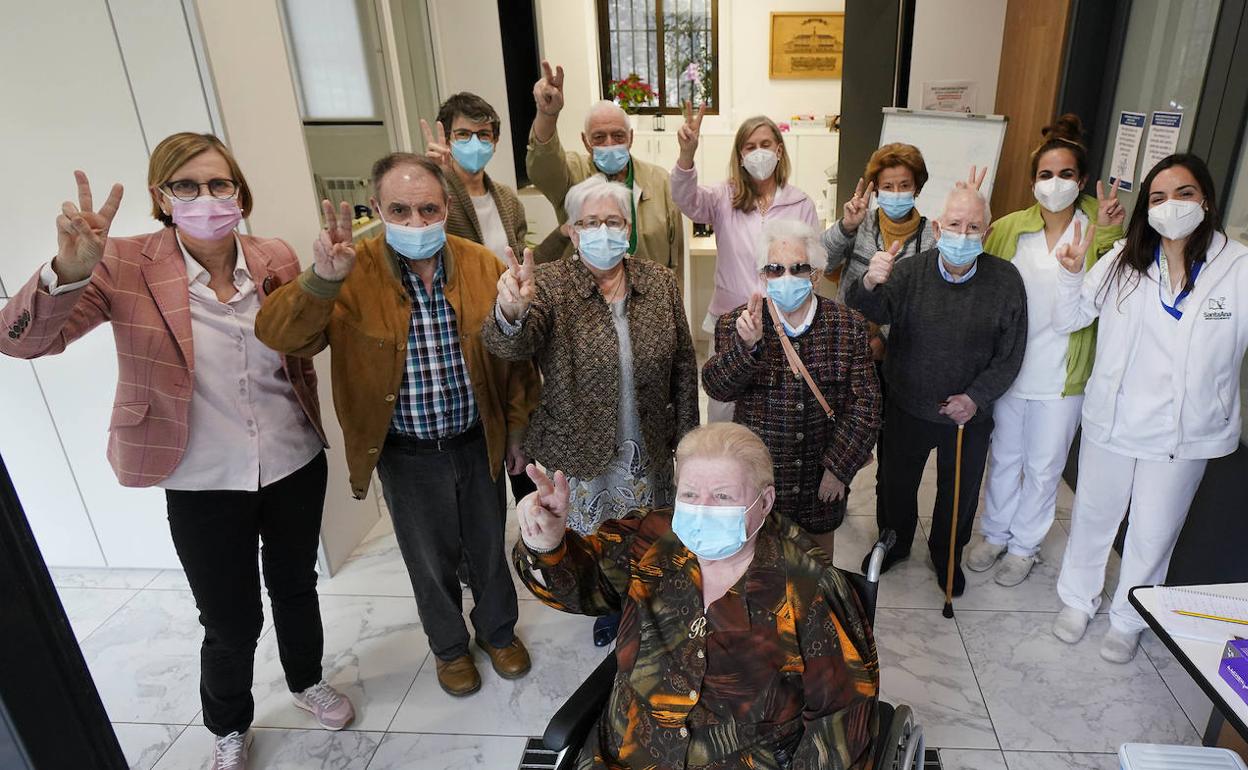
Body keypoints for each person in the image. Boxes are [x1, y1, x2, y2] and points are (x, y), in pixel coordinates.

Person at [0, 132, 353, 770]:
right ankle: (228, 724)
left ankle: (306, 681)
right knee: (230, 619)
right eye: (185, 186)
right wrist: (70, 268)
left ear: (240, 192)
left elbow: (306, 336)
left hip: (292, 457)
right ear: (161, 199)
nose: (205, 198)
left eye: (219, 184)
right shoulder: (124, 263)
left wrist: (326, 283)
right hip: (199, 476)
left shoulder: (272, 256)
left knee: (296, 586)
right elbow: (22, 342)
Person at [254, 153, 540, 698]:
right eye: (400, 210)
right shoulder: (349, 270)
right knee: (428, 559)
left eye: (427, 208)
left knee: (487, 546)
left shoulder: (482, 265)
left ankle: (498, 632)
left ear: (447, 207)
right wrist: (320, 282)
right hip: (406, 452)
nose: (415, 222)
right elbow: (280, 336)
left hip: (476, 438)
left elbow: (517, 364)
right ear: (378, 210)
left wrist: (519, 431)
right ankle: (450, 648)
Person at [512, 422, 879, 768]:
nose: (702, 509)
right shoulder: (650, 539)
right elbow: (582, 589)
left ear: (764, 503)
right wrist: (548, 543)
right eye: (690, 494)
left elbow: (841, 724)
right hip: (627, 754)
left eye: (722, 495)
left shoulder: (808, 587)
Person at [480, 175, 699, 646]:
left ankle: (652, 604)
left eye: (613, 221)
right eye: (590, 222)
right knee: (595, 539)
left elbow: (684, 361)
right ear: (573, 232)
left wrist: (689, 437)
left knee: (651, 532)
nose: (603, 231)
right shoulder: (551, 285)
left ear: (630, 228)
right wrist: (511, 310)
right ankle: (610, 611)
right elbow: (509, 344)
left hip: (648, 445)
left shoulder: (659, 282)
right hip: (579, 449)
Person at [1050, 153, 1248, 663]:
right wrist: (1072, 274)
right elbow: (1071, 317)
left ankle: (1129, 618)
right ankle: (1077, 600)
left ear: (1205, 199)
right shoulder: (1123, 259)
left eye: (1183, 194)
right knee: (1094, 517)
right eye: (1158, 198)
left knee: (1154, 532)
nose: (1171, 206)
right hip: (1113, 422)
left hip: (1184, 435)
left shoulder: (1237, 268)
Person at [968, 115, 1126, 587]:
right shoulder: (1011, 228)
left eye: (1066, 174)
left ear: (1081, 180)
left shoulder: (1099, 228)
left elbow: (1108, 295)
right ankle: (995, 534)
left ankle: (1024, 546)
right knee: (1006, 458)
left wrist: (1107, 233)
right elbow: (977, 273)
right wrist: (973, 214)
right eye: (1045, 175)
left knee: (1044, 468)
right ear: (1033, 181)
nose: (1055, 183)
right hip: (1013, 369)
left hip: (1063, 375)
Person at [845, 187, 1027, 596]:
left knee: (959, 494)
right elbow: (869, 312)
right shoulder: (909, 272)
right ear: (937, 227)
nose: (963, 235)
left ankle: (946, 553)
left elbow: (1011, 354)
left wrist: (975, 398)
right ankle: (893, 542)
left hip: (967, 414)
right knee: (895, 484)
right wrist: (870, 283)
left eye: (974, 227)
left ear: (988, 231)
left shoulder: (1005, 280)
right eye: (955, 225)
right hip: (907, 403)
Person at [701, 219, 880, 555]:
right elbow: (717, 387)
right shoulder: (736, 322)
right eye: (774, 269)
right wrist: (747, 348)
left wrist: (839, 469)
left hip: (821, 483)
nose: (786, 277)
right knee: (761, 575)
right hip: (760, 483)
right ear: (762, 275)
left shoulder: (847, 325)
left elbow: (865, 405)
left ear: (814, 273)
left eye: (798, 268)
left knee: (816, 577)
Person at [422, 91, 539, 505]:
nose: (475, 143)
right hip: (462, 336)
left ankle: (538, 543)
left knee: (523, 451)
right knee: (482, 460)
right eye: (463, 134)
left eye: (483, 134)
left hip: (509, 329)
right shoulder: (437, 202)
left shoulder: (505, 198)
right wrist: (436, 177)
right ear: (447, 139)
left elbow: (519, 252)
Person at [672, 104, 820, 422]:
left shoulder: (800, 203)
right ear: (740, 156)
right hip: (729, 321)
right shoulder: (724, 197)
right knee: (725, 405)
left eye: (765, 145)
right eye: (750, 147)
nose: (758, 152)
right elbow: (686, 200)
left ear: (779, 150)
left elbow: (812, 264)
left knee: (774, 406)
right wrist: (687, 155)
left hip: (784, 323)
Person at [821, 145, 941, 533]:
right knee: (839, 436)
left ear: (917, 187)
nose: (896, 192)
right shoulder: (862, 223)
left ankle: (891, 530)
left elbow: (923, 301)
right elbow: (820, 259)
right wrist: (846, 226)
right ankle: (829, 507)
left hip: (897, 358)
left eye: (904, 184)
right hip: (848, 351)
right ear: (876, 188)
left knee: (892, 453)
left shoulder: (931, 237)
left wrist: (884, 342)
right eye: (887, 185)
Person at [526, 60, 684, 274]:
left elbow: (675, 256)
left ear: (630, 138)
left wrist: (672, 300)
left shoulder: (660, 180)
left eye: (618, 136)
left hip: (648, 296)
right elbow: (544, 166)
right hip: (585, 297)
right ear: (585, 141)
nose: (609, 144)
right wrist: (547, 115)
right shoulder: (573, 172)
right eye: (599, 137)